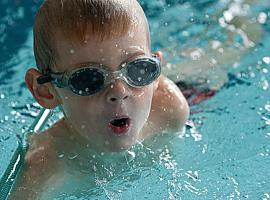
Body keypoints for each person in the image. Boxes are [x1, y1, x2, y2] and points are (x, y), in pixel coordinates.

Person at [9, 0, 189, 199]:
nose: (119, 91)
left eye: (139, 69)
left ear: (154, 73)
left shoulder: (169, 110)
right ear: (46, 91)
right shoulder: (46, 164)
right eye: (88, 78)